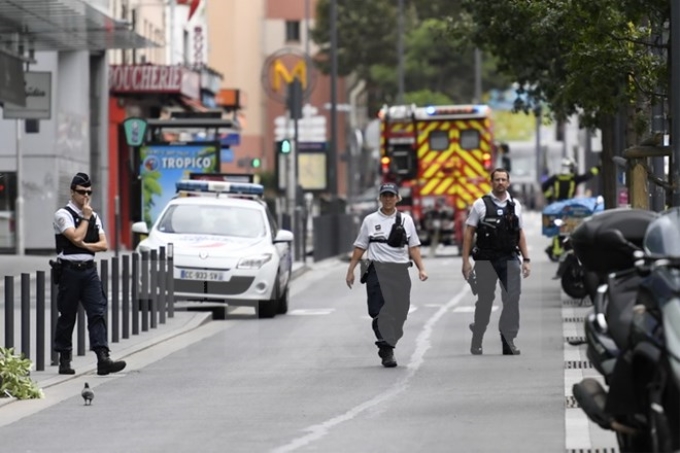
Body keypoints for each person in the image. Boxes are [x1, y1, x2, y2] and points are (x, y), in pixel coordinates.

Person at [346, 182, 428, 367]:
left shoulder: (406, 220)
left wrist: (421, 268)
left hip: (399, 270)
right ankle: (386, 348)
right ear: (380, 198)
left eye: (392, 195)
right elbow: (360, 246)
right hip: (377, 270)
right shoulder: (370, 220)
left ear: (398, 198)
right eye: (385, 195)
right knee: (380, 310)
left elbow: (413, 246)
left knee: (400, 312)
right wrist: (351, 270)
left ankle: (391, 337)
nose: (388, 199)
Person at [52, 172, 126, 376]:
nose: (86, 196)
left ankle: (103, 358)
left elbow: (104, 245)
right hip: (69, 271)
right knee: (67, 316)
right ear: (72, 192)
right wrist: (84, 218)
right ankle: (64, 358)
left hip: (89, 271)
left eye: (89, 193)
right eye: (82, 192)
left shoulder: (94, 216)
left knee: (97, 312)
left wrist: (86, 244)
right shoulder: (63, 214)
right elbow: (75, 237)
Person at [461, 168, 531, 356]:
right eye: (497, 179)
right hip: (486, 260)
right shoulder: (480, 205)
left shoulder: (515, 205)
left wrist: (526, 259)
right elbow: (469, 233)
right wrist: (465, 261)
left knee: (512, 299)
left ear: (508, 182)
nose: (500, 182)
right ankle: (477, 338)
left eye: (503, 179)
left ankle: (508, 340)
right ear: (491, 182)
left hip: (509, 258)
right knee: (485, 301)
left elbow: (520, 234)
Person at [542, 158, 600, 259]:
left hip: (557, 206)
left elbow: (544, 186)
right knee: (569, 228)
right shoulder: (573, 178)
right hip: (569, 206)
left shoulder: (555, 178)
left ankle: (556, 250)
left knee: (558, 229)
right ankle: (561, 249)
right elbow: (587, 176)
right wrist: (598, 168)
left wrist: (550, 198)